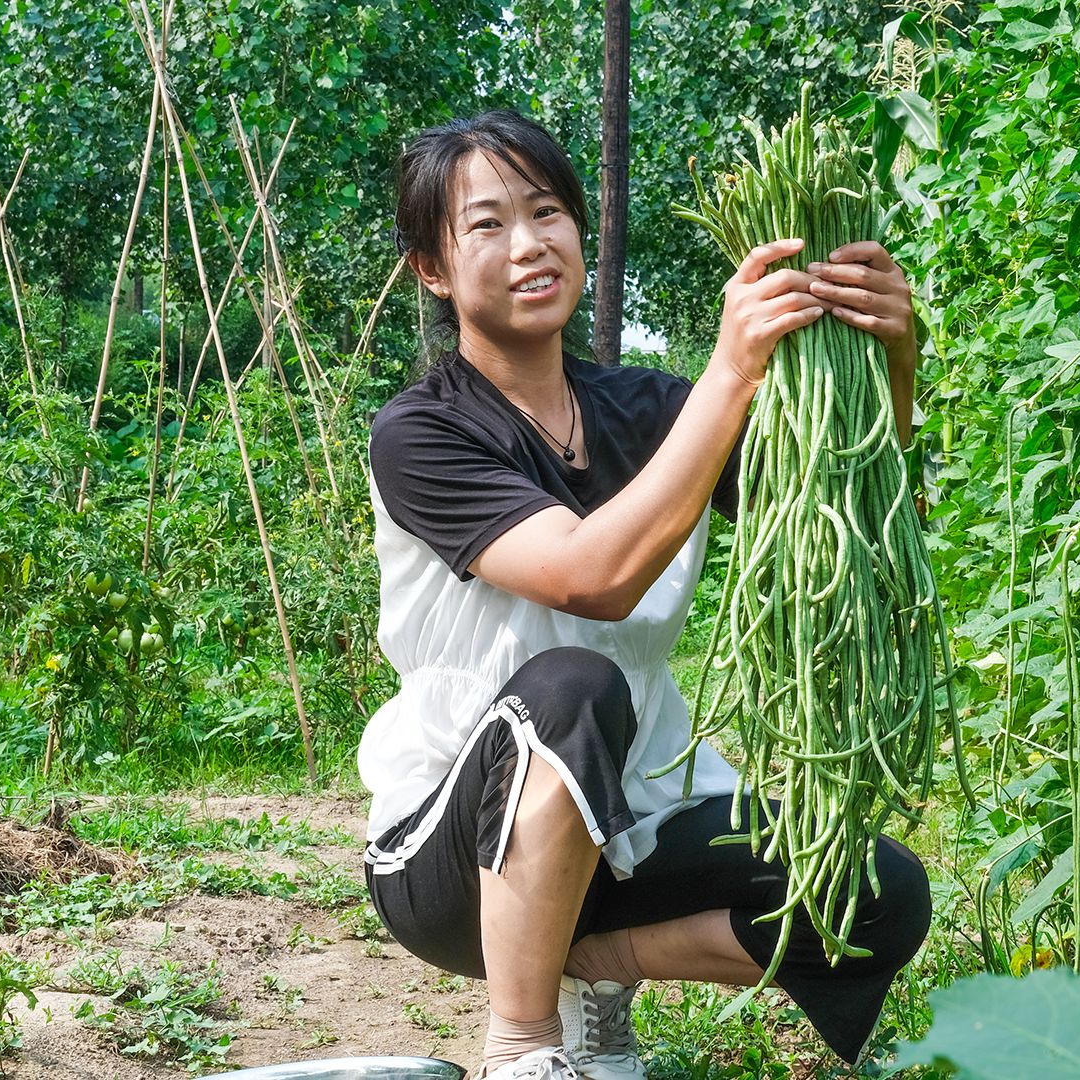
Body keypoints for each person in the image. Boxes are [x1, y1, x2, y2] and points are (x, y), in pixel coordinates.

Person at [359, 110, 933, 1080]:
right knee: (574, 684)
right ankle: (520, 1044)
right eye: (486, 225)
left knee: (876, 893)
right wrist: (731, 370)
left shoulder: (653, 410)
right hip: (453, 855)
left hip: (634, 823)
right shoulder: (420, 433)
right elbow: (593, 578)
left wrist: (891, 356)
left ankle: (590, 970)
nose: (530, 244)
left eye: (547, 212)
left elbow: (858, 505)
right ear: (433, 269)